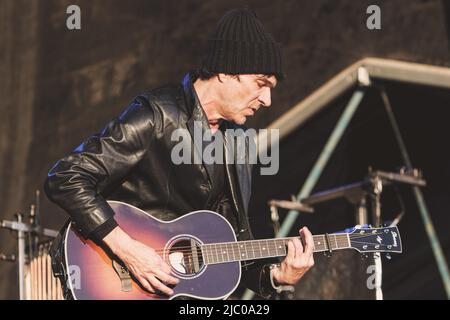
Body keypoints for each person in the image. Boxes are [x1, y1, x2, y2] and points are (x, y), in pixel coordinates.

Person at [45, 7, 314, 300]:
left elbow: (232, 247)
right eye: (262, 84)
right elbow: (65, 177)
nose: (267, 99)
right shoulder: (157, 114)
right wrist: (130, 249)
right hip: (110, 279)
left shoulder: (237, 143)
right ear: (225, 71)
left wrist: (277, 276)